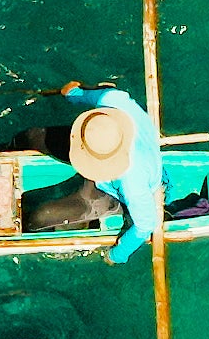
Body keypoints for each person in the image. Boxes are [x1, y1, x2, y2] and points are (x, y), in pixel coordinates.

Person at [55, 82, 164, 263]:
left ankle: (83, 224)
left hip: (121, 186)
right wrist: (72, 93)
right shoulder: (113, 98)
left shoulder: (132, 183)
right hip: (131, 158)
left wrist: (116, 255)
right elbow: (84, 94)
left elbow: (145, 225)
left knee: (48, 215)